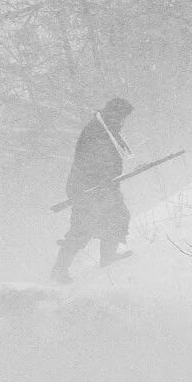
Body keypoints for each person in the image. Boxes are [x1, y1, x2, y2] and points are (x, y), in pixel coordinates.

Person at [51, 97, 135, 284]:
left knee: (118, 216)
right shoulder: (96, 131)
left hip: (103, 185)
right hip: (85, 187)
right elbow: (94, 162)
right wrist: (104, 181)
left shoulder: (107, 129)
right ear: (115, 114)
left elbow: (113, 160)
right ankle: (59, 271)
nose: (123, 122)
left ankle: (108, 257)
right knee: (83, 227)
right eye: (122, 117)